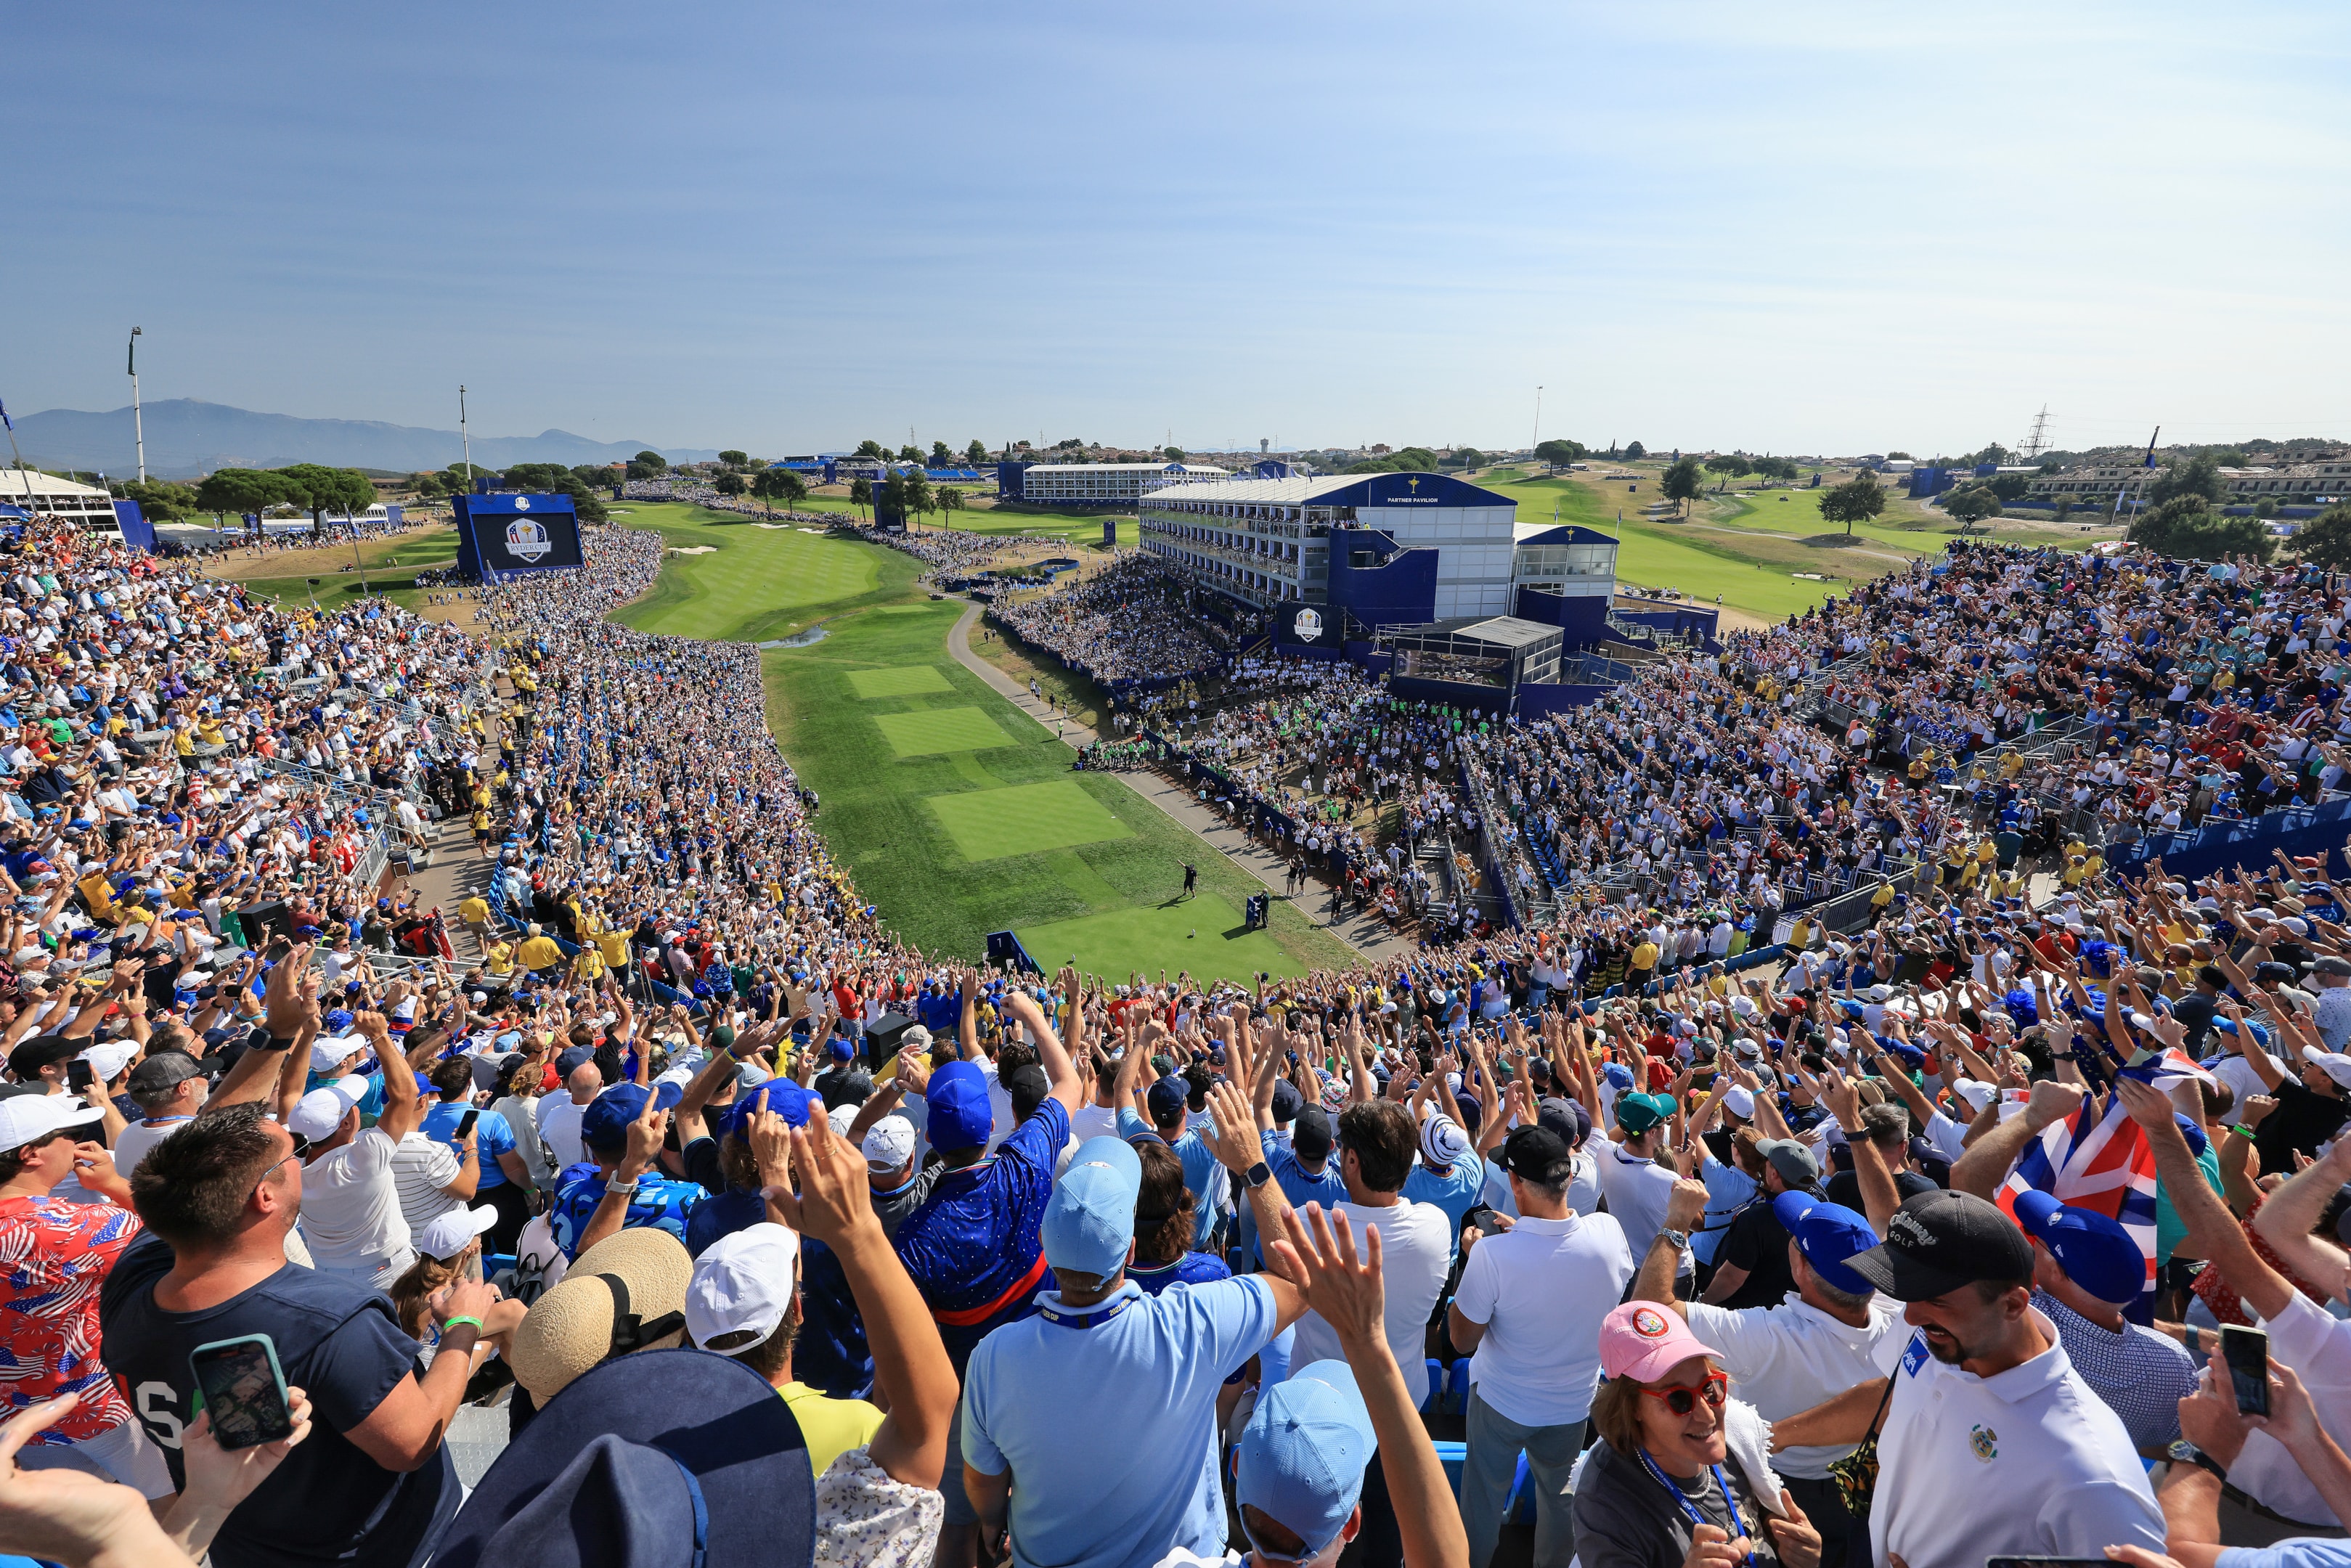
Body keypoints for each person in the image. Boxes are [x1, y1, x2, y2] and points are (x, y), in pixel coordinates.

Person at [102, 1098, 500, 1568]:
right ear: (263, 1196)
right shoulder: (330, 1320)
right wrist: (462, 1328)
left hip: (242, 1547)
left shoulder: (130, 1282)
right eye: (294, 1154)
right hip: (385, 1551)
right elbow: (411, 1443)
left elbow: (179, 1184)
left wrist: (274, 1040)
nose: (304, 1160)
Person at [961, 1093, 1301, 1567]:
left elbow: (983, 1482)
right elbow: (1295, 1277)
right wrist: (1254, 1168)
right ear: (1129, 1251)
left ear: (1045, 1242)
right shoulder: (1191, 1324)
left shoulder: (993, 1358)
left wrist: (996, 1524)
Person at [1770, 1188, 2165, 1568]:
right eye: (1907, 1292)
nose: (1910, 1317)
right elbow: (1891, 1397)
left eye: (1936, 1300)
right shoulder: (1945, 1331)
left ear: (2012, 1304)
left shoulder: (2093, 1475)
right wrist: (1776, 1436)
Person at [889, 989, 1080, 1567]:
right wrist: (1035, 1018)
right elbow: (1070, 1084)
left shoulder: (915, 1241)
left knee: (956, 1531)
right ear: (994, 1123)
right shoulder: (1022, 1163)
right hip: (1044, 1376)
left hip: (966, 1402)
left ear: (928, 1142)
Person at [1631, 1173, 1903, 1568]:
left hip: (1778, 1490)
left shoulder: (1764, 1335)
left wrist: (1675, 1225)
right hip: (1861, 1485)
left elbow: (1646, 1315)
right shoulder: (1901, 1320)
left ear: (1801, 1267)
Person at [1448, 1124, 1634, 1568]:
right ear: (1568, 1177)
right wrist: (1522, 1240)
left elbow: (1460, 1339)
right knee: (1559, 1501)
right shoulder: (1608, 1233)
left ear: (1514, 1183)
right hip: (1572, 1407)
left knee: (1483, 1500)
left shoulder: (1492, 1257)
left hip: (1501, 1404)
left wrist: (1474, 1261)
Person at [1283, 1097, 1452, 1568]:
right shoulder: (1436, 1229)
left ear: (1351, 1161)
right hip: (1397, 1413)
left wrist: (1255, 1170)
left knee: (1317, 1540)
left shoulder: (1307, 1231)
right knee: (1384, 1530)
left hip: (1321, 1415)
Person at [0, 1093, 174, 1501]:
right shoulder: (80, 1225)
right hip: (100, 1401)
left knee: (82, 1530)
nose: (77, 1143)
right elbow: (176, 1231)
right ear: (31, 1154)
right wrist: (112, 1183)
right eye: (70, 1135)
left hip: (19, 1419)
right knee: (169, 1501)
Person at [1570, 1299, 1822, 1568]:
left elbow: (1754, 1515)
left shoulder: (1739, 1437)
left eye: (1709, 1387)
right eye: (1679, 1399)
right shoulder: (1606, 1504)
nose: (1708, 1415)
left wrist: (1790, 1546)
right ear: (1631, 1407)